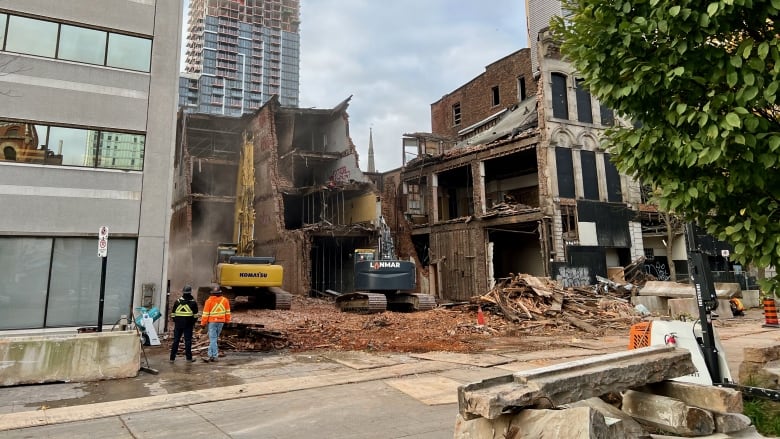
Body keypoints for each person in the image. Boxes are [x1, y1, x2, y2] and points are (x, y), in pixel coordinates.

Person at [200, 285, 231, 362]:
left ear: (212, 293)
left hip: (212, 322)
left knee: (213, 339)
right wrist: (227, 321)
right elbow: (227, 312)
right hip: (221, 322)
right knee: (214, 339)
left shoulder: (209, 301)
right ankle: (210, 355)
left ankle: (214, 355)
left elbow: (205, 314)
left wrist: (203, 324)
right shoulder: (225, 300)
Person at [169, 285, 199, 363]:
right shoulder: (193, 303)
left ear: (183, 292)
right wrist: (192, 323)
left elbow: (172, 314)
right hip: (188, 325)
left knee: (176, 341)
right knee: (188, 341)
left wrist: (176, 321)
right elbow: (195, 316)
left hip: (178, 325)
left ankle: (172, 358)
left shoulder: (177, 302)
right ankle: (189, 358)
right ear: (190, 292)